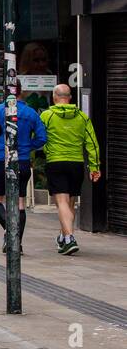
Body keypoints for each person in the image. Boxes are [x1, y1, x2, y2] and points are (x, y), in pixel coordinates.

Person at [0, 88, 48, 254]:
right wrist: (27, 147)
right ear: (21, 92)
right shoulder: (31, 113)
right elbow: (42, 138)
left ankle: (11, 235)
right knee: (20, 203)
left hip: (2, 160)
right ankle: (16, 242)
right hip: (22, 162)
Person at [40, 84, 102, 255]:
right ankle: (63, 236)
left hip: (56, 162)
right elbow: (92, 143)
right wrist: (95, 166)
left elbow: (38, 137)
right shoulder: (82, 117)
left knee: (61, 202)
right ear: (70, 98)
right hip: (76, 163)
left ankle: (69, 238)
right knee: (70, 202)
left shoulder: (47, 116)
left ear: (54, 97)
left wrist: (44, 150)